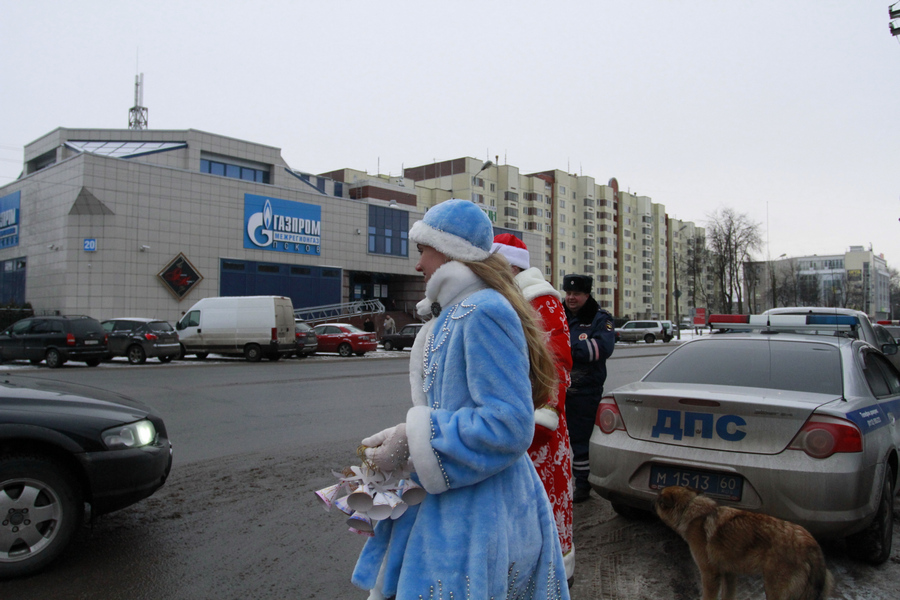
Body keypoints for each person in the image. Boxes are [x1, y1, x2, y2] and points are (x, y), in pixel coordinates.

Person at [352, 199, 570, 600]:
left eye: (422, 250)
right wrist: (403, 442)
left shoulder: (482, 312)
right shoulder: (454, 313)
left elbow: (508, 424)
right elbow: (450, 411)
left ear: (451, 250)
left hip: (480, 516)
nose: (417, 266)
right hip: (456, 504)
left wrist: (413, 438)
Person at [491, 233, 576, 583]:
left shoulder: (539, 298)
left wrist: (542, 415)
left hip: (538, 431)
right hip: (511, 424)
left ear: (509, 265)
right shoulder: (501, 299)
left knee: (541, 503)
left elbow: (556, 363)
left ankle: (551, 577)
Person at [562, 274, 615, 504]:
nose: (571, 298)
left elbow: (600, 348)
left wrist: (564, 349)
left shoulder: (599, 318)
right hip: (560, 388)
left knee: (581, 441)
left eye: (576, 294)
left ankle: (582, 484)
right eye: (568, 293)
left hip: (585, 392)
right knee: (558, 439)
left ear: (587, 295)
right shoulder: (559, 312)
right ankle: (561, 480)